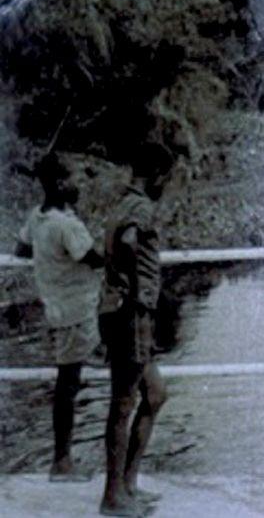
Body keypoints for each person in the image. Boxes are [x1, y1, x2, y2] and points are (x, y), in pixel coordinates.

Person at [15, 153, 104, 482]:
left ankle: (64, 460)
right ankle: (62, 462)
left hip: (59, 310)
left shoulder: (38, 217)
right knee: (68, 385)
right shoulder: (66, 225)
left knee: (70, 382)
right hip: (77, 311)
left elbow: (21, 250)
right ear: (59, 184)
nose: (80, 184)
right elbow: (95, 259)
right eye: (74, 179)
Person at [98, 147, 173, 516]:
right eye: (166, 178)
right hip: (130, 314)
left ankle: (127, 485)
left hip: (127, 313)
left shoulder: (124, 202)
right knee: (124, 403)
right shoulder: (140, 207)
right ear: (157, 174)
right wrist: (137, 292)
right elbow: (128, 243)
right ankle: (112, 498)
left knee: (155, 394)